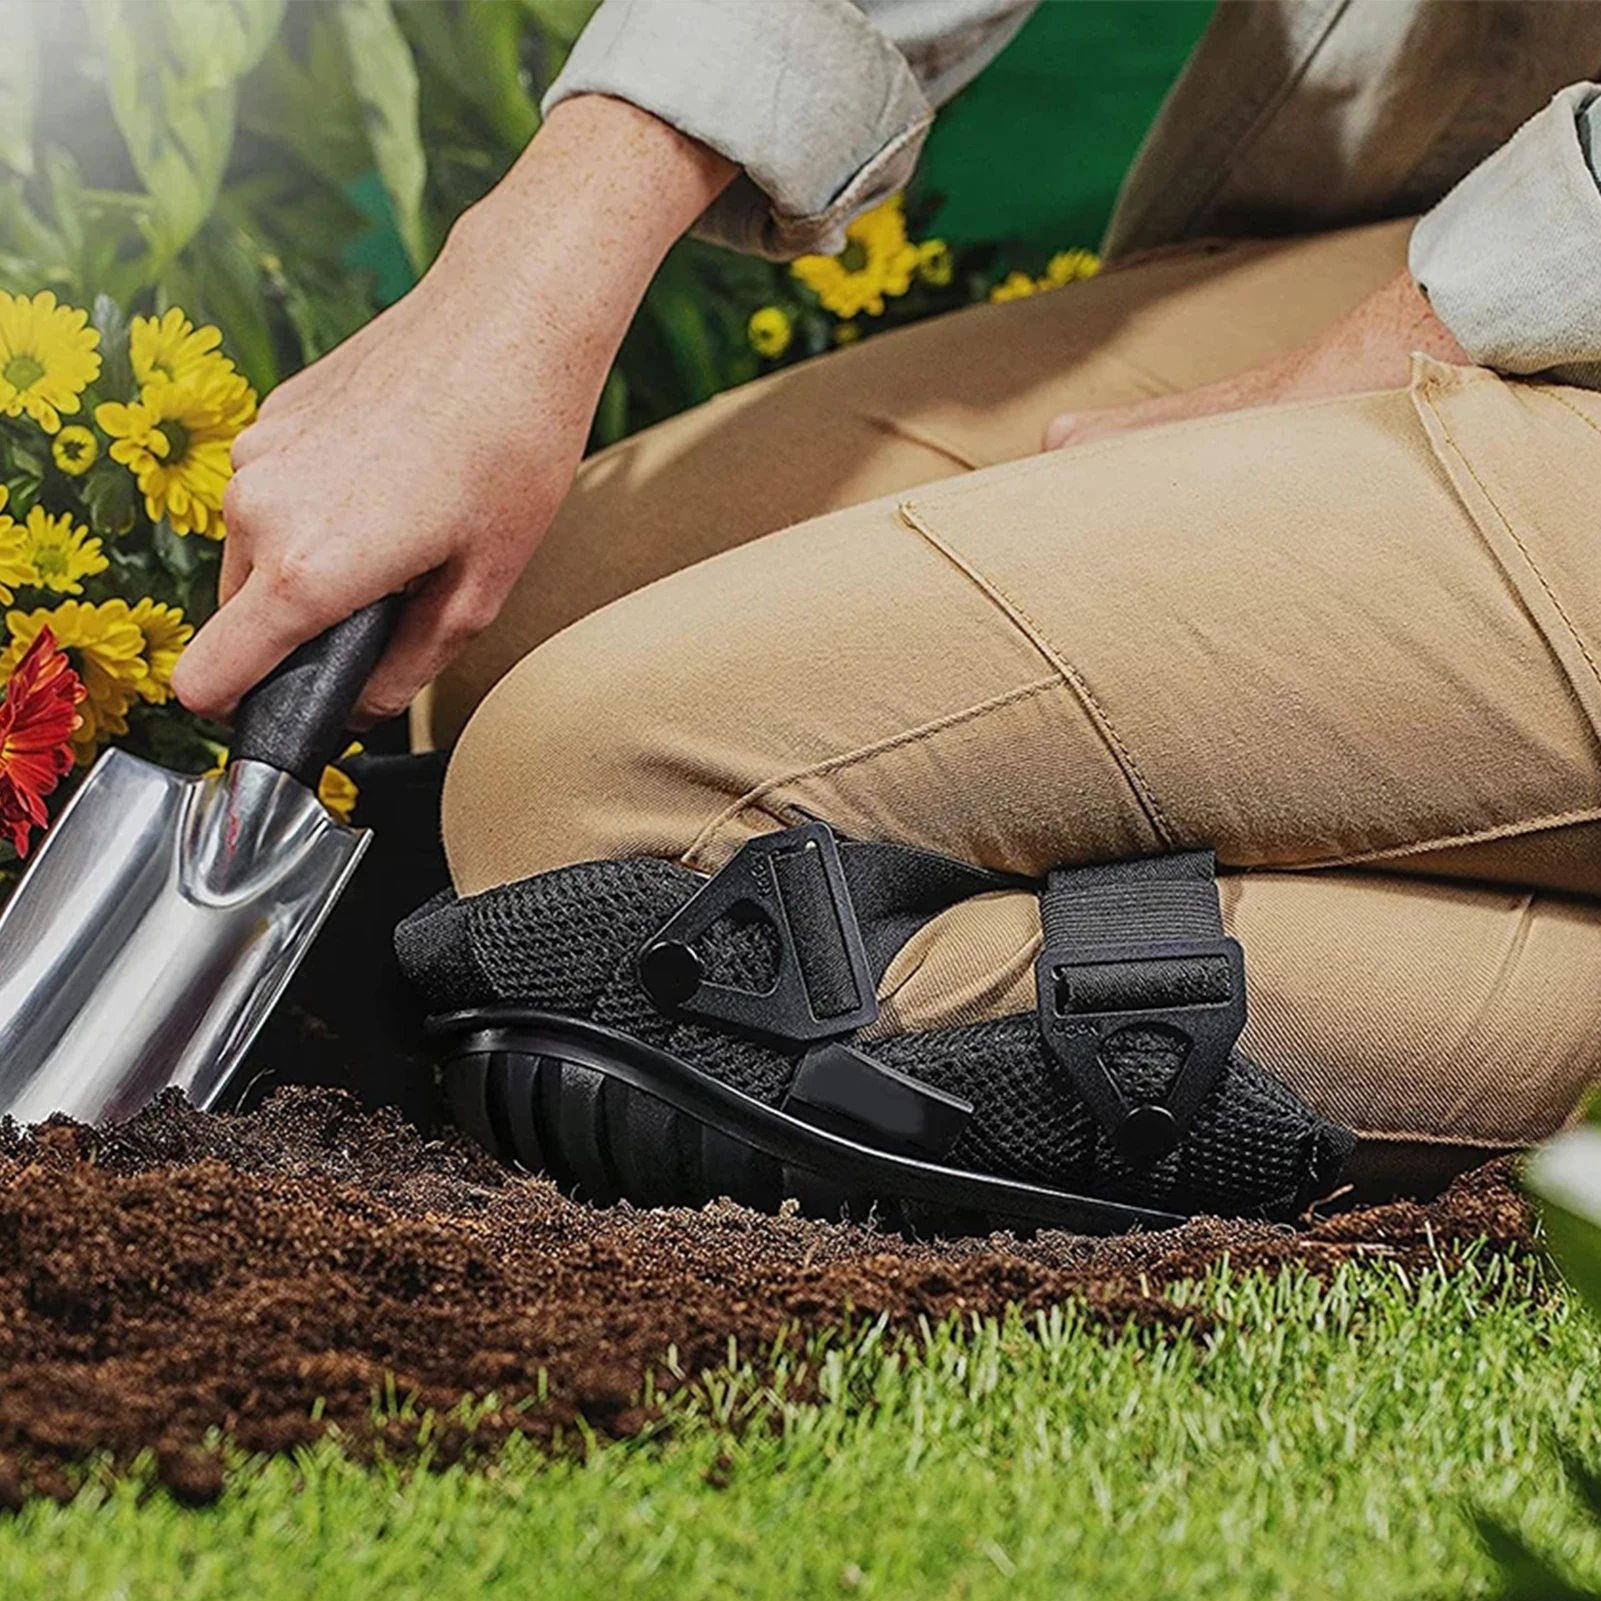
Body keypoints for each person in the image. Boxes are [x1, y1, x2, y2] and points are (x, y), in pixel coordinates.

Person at [182, 1, 1601, 1200]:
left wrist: (1364, 368)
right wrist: (521, 281)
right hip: (1506, 225)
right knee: (512, 641)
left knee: (627, 846)